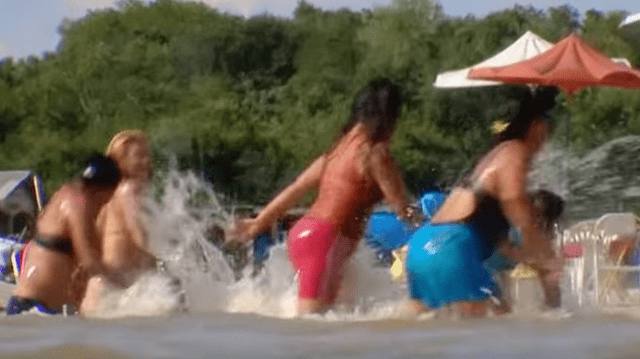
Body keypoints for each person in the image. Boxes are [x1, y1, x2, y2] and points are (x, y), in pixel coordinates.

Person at [233, 79, 421, 314]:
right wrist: (434, 225)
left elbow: (297, 187)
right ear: (389, 116)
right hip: (323, 242)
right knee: (311, 327)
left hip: (307, 236)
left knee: (338, 318)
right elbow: (402, 209)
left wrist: (259, 222)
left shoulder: (338, 149)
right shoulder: (375, 153)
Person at [405, 94, 563, 318]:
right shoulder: (515, 151)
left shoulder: (489, 160)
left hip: (421, 247)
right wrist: (544, 251)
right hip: (451, 247)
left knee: (428, 334)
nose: (545, 143)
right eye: (547, 133)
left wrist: (542, 269)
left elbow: (504, 247)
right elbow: (515, 202)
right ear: (537, 127)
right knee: (499, 327)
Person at [7, 154, 121, 315]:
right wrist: (128, 292)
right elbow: (89, 259)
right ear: (104, 189)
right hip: (34, 308)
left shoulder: (64, 195)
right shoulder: (78, 202)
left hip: (41, 310)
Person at [80, 130, 157, 314]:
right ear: (120, 162)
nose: (146, 161)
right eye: (139, 156)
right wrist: (164, 263)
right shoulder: (128, 190)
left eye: (147, 155)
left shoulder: (107, 195)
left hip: (101, 288)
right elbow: (140, 236)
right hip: (114, 291)